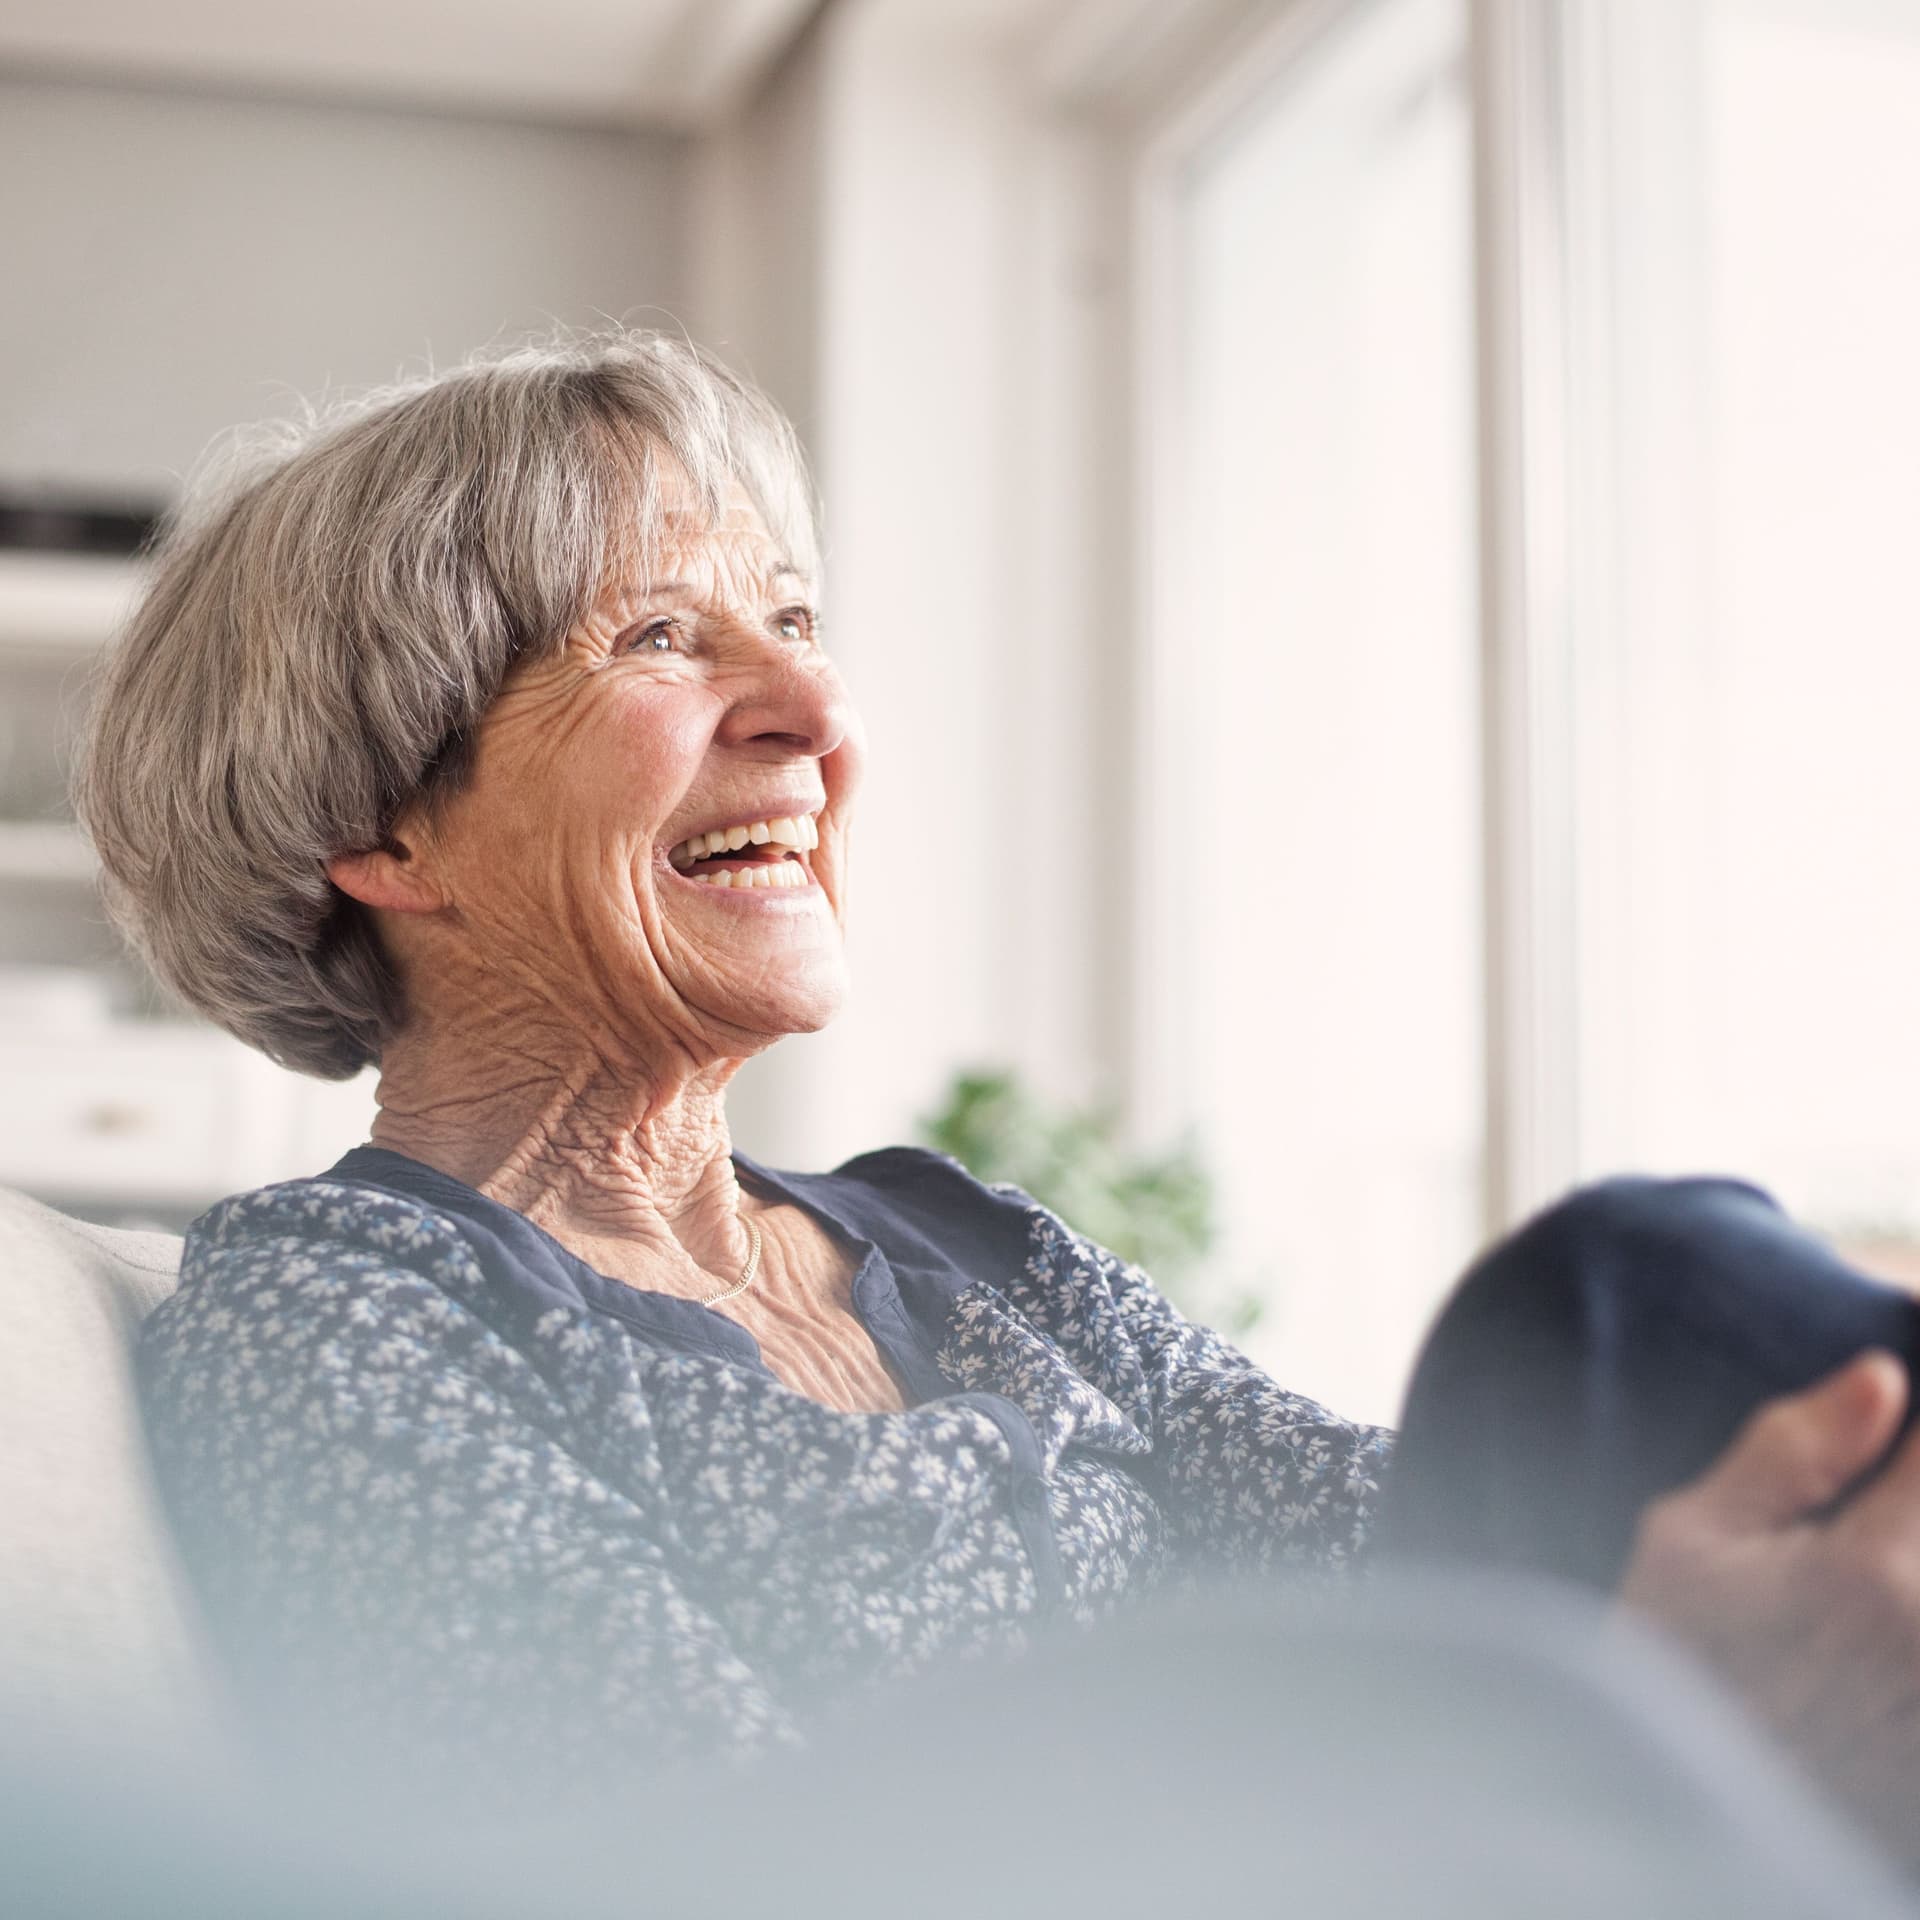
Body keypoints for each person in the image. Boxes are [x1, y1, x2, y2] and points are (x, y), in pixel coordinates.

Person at [74, 331, 1920, 1865]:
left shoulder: (953, 1243)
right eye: (657, 638)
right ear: (375, 827)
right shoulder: (339, 1309)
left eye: (792, 616)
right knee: (1568, 1656)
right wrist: (1630, 1684)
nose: (813, 698)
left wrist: (1706, 1598)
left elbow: (1397, 1525)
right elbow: (672, 1863)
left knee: (1619, 1293)